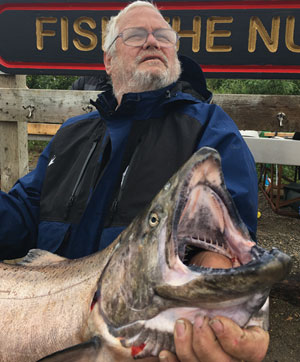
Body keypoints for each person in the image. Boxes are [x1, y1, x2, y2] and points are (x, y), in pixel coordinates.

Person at [0, 0, 268, 360]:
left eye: (163, 36)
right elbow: (20, 216)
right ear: (108, 61)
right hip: (45, 320)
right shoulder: (71, 134)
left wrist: (210, 299)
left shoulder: (209, 127)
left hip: (138, 342)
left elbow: (224, 238)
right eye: (137, 35)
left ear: (174, 52)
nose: (153, 41)